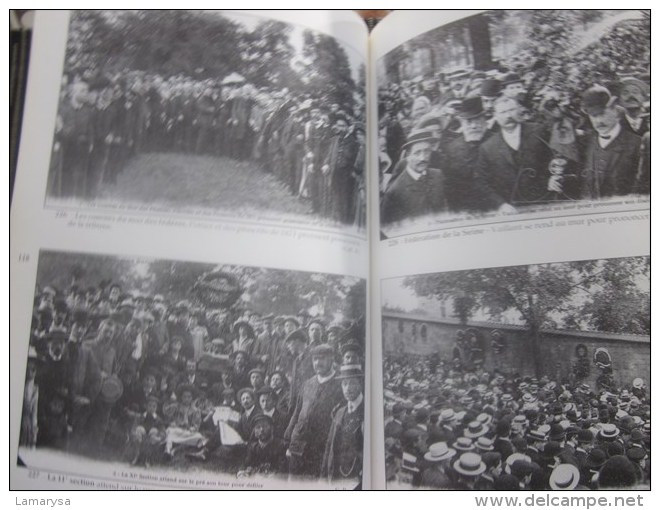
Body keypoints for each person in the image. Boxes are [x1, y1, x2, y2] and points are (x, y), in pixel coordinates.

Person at [474, 95, 555, 212]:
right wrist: (500, 204)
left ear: (519, 111)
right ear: (495, 116)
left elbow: (554, 158)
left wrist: (554, 177)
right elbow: (481, 181)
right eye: (502, 112)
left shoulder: (538, 131)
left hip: (545, 202)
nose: (508, 116)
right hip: (512, 209)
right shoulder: (487, 147)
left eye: (511, 110)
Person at [285, 344, 343, 478]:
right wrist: (288, 439)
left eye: (322, 359)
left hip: (320, 448)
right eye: (315, 359)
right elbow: (297, 412)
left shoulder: (340, 385)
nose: (318, 363)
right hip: (297, 445)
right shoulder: (308, 384)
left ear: (332, 359)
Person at [579, 85, 641, 200]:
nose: (599, 121)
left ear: (615, 110)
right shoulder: (585, 142)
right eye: (593, 116)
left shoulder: (637, 144)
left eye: (602, 114)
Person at [381, 129, 449, 224]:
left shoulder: (438, 176)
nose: (423, 158)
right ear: (408, 156)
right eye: (417, 153)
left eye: (427, 151)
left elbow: (444, 209)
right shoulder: (395, 191)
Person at [443, 96, 491, 212]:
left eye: (477, 120)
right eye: (469, 121)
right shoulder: (452, 148)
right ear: (461, 123)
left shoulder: (497, 141)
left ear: (485, 120)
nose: (474, 126)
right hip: (465, 209)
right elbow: (450, 185)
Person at [321, 364, 364, 484]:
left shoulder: (367, 411)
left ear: (360, 384)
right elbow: (329, 446)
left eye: (352, 383)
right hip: (335, 476)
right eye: (344, 384)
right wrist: (323, 477)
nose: (348, 388)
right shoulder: (340, 412)